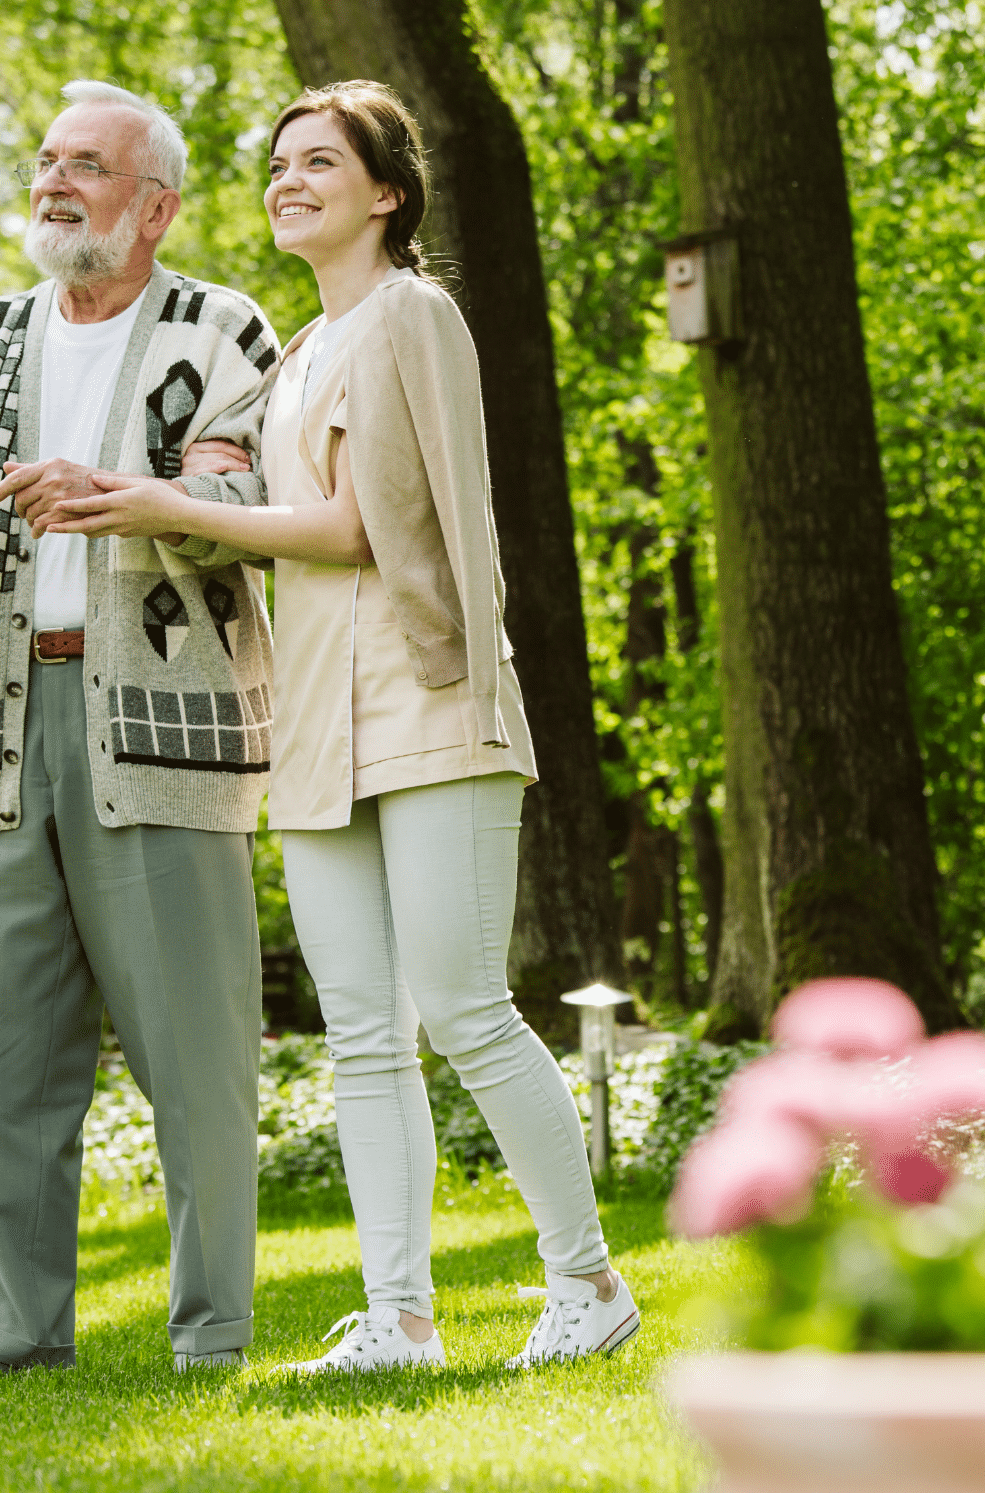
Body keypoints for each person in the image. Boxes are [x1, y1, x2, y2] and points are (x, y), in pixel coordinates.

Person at [52, 81, 640, 1374]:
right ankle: (401, 1318)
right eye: (277, 164)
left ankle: (587, 1283)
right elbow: (273, 523)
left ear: (389, 192)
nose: (289, 180)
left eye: (322, 161)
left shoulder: (411, 317)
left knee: (466, 1007)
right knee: (362, 1032)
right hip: (318, 718)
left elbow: (353, 531)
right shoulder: (300, 356)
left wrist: (162, 505)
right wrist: (138, 498)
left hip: (430, 699)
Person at [0, 79, 281, 1383]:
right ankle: (13, 1330)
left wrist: (112, 497)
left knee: (196, 1060)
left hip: (167, 725)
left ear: (155, 206)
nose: (55, 180)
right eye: (46, 158)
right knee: (0, 1054)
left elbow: (241, 488)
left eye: (86, 163)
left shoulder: (219, 329)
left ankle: (213, 1334)